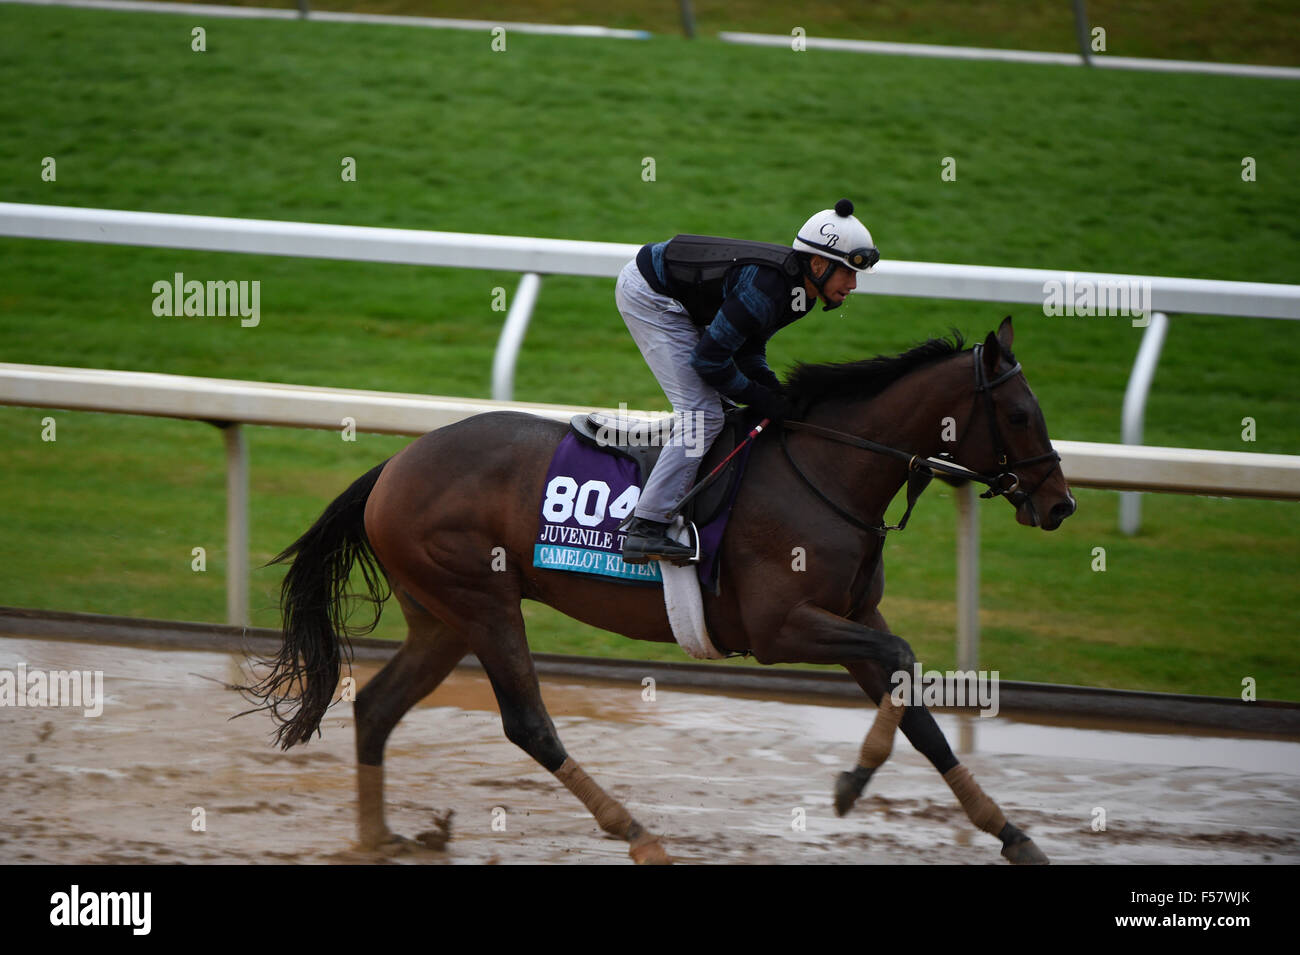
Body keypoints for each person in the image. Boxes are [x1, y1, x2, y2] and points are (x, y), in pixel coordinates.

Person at [616, 198, 879, 564]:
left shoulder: (799, 294)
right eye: (847, 272)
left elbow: (747, 349)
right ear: (817, 264)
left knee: (722, 407)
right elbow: (709, 360)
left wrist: (774, 392)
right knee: (703, 414)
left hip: (685, 297)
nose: (852, 284)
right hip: (652, 295)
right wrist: (761, 397)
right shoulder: (769, 289)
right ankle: (646, 528)